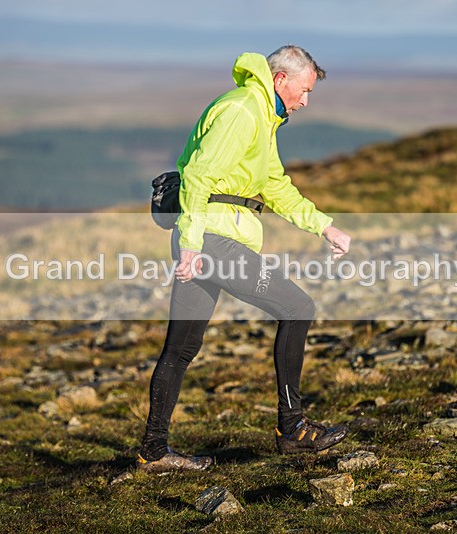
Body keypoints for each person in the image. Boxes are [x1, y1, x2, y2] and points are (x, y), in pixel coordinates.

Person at [138, 45, 352, 473]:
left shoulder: (263, 117)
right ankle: (292, 427)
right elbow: (198, 176)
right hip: (213, 241)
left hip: (207, 239)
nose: (306, 101)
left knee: (180, 348)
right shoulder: (242, 111)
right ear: (280, 80)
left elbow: (275, 187)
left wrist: (323, 225)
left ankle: (154, 452)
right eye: (304, 90)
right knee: (297, 308)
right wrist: (195, 245)